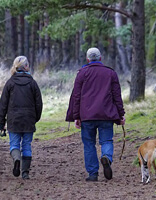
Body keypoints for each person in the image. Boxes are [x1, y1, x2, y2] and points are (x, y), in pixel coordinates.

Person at [66, 47, 125, 182]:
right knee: (106, 140)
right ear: (100, 58)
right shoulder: (110, 73)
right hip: (106, 114)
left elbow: (76, 96)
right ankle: (106, 158)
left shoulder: (81, 73)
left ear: (87, 59)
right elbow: (117, 96)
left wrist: (76, 116)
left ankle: (93, 174)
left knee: (89, 144)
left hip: (87, 116)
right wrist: (121, 114)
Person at [0, 56, 43, 179]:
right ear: (26, 67)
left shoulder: (10, 83)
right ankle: (25, 172)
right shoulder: (32, 83)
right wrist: (35, 118)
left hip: (14, 120)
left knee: (14, 145)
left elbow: (3, 104)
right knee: (26, 145)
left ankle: (16, 159)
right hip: (28, 120)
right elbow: (39, 103)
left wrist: (1, 123)